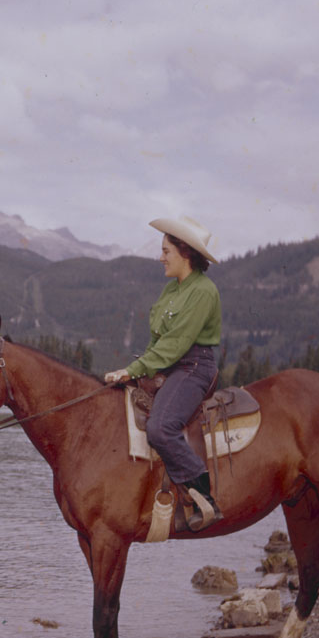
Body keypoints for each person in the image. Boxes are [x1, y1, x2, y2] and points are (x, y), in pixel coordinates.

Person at [104, 216, 223, 531]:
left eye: (166, 251)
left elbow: (177, 343)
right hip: (168, 364)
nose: (161, 258)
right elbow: (158, 340)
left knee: (160, 427)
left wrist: (133, 368)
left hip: (193, 366)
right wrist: (138, 370)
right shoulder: (172, 289)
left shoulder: (203, 291)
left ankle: (203, 498)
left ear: (185, 253)